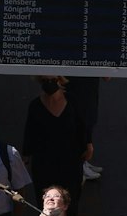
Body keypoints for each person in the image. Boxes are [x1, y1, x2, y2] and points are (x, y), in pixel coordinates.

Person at [22, 78, 89, 206]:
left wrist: (88, 145)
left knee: (71, 195)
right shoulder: (35, 105)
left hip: (70, 161)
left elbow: (82, 126)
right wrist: (25, 158)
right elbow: (30, 133)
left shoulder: (73, 101)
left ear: (59, 81)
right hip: (44, 163)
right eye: (45, 80)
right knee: (46, 198)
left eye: (52, 79)